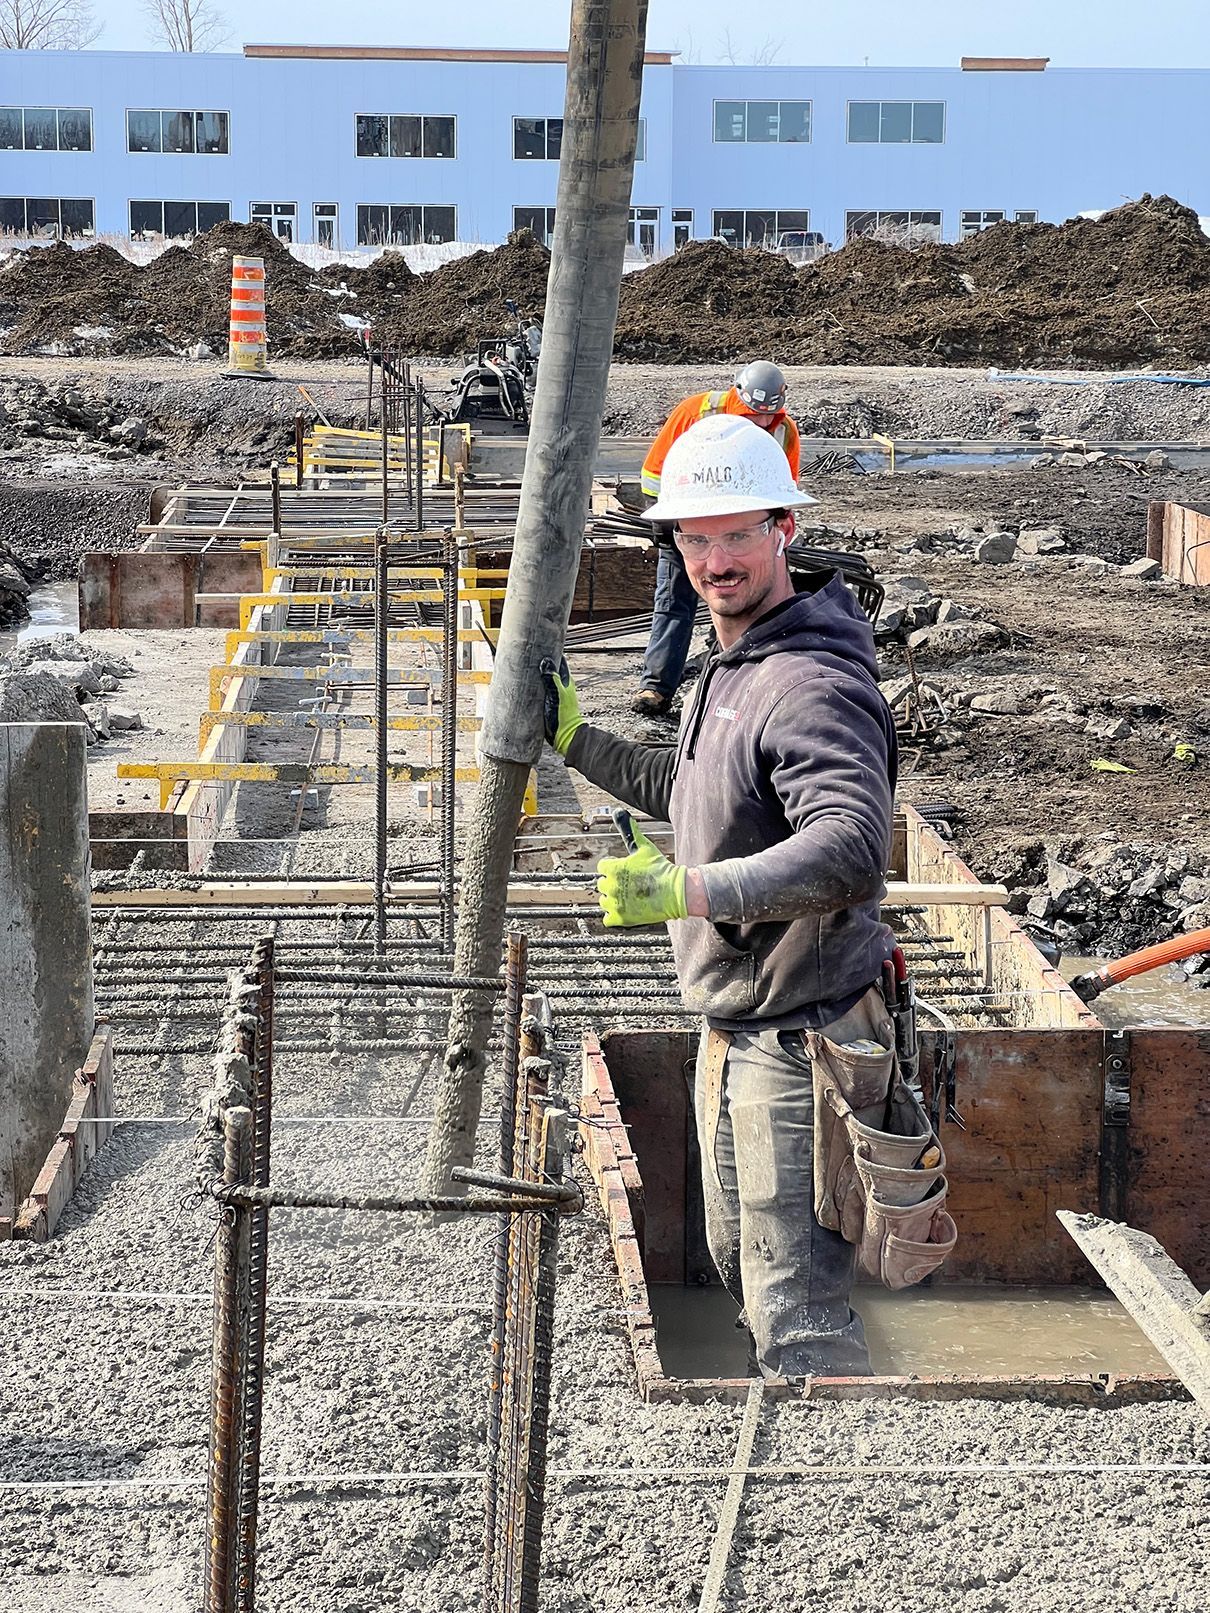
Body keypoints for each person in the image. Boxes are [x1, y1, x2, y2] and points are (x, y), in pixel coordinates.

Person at [543, 413, 897, 1378]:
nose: (715, 558)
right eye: (695, 537)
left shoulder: (810, 682)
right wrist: (582, 745)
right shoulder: (733, 660)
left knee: (801, 1316)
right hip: (740, 1025)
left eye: (738, 532)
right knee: (747, 1270)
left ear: (784, 525)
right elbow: (698, 790)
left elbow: (853, 849)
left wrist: (687, 890)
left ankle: (840, 1484)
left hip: (801, 1039)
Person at [632, 360, 801, 719]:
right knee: (675, 603)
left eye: (765, 417)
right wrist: (665, 520)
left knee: (745, 605)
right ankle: (656, 688)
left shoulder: (783, 430)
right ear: (736, 396)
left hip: (744, 535)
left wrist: (775, 530)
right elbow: (653, 472)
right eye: (750, 414)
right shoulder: (696, 412)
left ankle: (740, 684)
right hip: (690, 525)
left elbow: (784, 490)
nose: (758, 423)